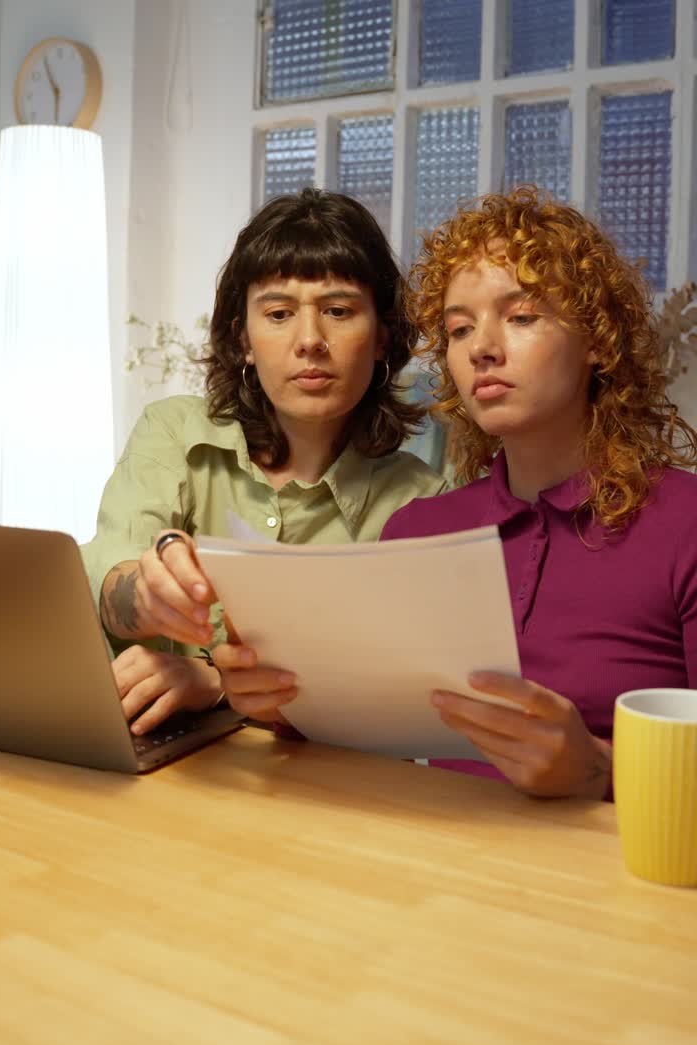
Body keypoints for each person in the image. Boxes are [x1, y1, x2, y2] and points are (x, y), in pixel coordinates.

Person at [81, 189, 445, 735]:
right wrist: (145, 593)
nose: (309, 341)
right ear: (243, 338)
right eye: (278, 314)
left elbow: (395, 696)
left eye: (339, 311)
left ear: (381, 338)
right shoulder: (173, 433)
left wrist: (215, 683)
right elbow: (107, 571)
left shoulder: (422, 503)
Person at [377, 186, 697, 799]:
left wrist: (599, 769)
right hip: (436, 873)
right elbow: (367, 732)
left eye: (521, 316)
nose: (482, 349)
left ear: (599, 340)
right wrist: (282, 703)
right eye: (460, 328)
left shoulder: (684, 526)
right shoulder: (415, 534)